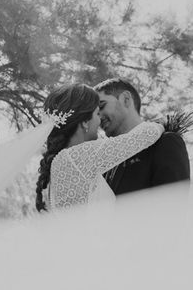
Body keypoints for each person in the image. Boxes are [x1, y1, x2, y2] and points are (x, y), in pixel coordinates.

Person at [35, 83, 164, 211]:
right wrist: (163, 123)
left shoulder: (62, 161)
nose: (100, 120)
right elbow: (148, 134)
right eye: (97, 113)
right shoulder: (76, 156)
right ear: (85, 122)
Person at [93, 78, 191, 195]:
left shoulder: (165, 143)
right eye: (95, 114)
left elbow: (173, 206)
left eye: (102, 106)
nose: (98, 118)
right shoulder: (105, 162)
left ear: (126, 99)